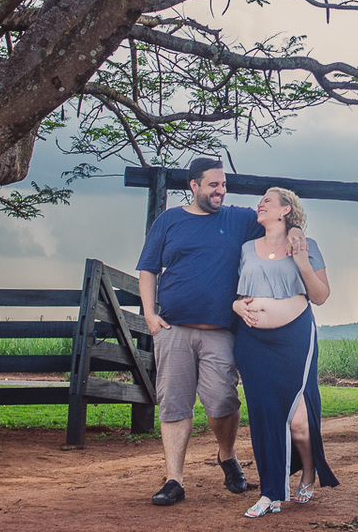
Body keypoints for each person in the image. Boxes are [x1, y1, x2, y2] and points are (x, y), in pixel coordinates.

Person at [137, 157, 305, 507]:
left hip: (221, 332)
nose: (221, 191)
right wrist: (150, 315)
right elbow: (149, 269)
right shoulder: (168, 221)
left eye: (224, 185)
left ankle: (226, 455)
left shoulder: (238, 218)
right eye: (213, 185)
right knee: (174, 402)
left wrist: (295, 230)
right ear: (194, 185)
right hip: (173, 328)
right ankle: (174, 480)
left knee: (222, 403)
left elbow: (275, 223)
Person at [232, 187, 339, 517]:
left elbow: (320, 296)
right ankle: (271, 493)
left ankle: (308, 472)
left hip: (294, 339)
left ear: (286, 210)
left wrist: (302, 261)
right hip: (252, 342)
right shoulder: (247, 248)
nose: (260, 205)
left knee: (298, 423)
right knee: (264, 416)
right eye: (260, 201)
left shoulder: (306, 245)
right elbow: (237, 293)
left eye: (267, 201)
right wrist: (237, 305)